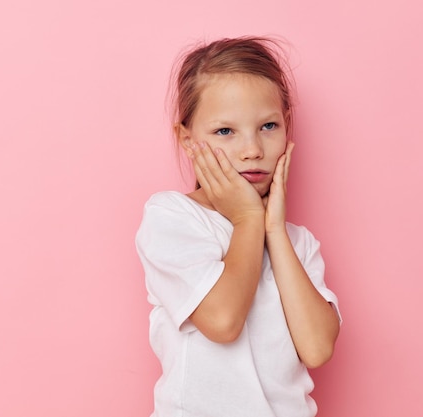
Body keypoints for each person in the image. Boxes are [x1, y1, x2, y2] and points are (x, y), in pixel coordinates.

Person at [135, 36, 341, 417]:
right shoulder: (173, 218)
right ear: (186, 139)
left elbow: (317, 348)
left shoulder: (298, 242)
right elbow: (223, 321)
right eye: (225, 132)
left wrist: (274, 231)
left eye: (268, 125)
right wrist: (248, 219)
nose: (252, 149)